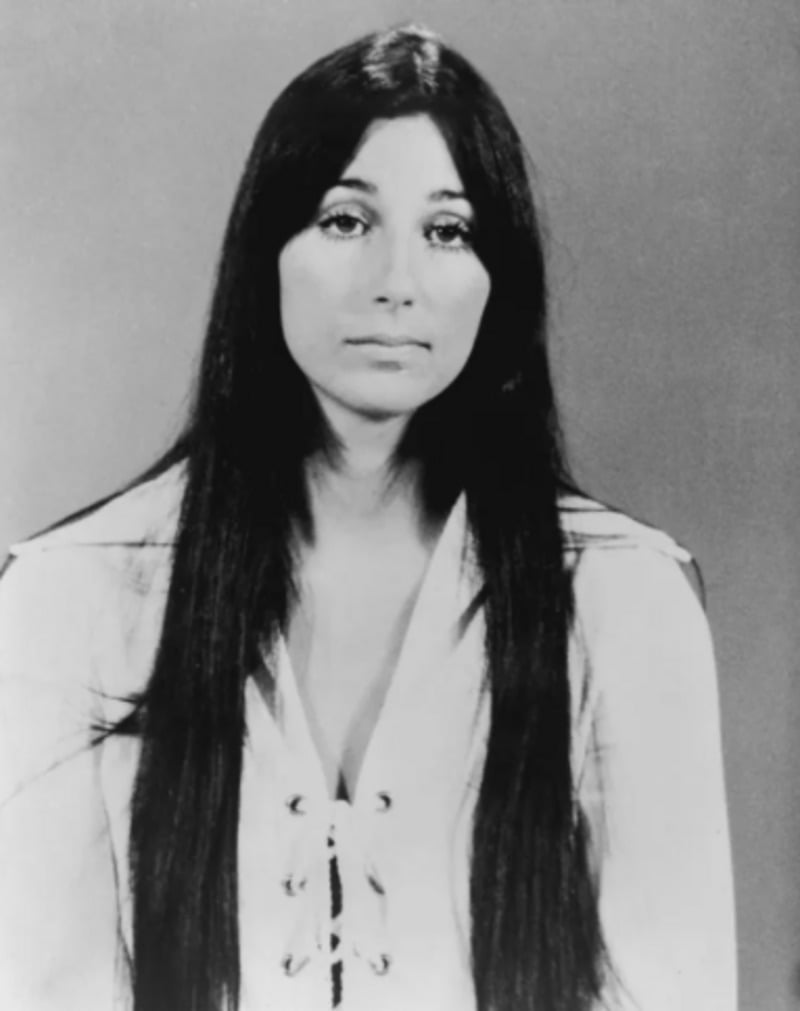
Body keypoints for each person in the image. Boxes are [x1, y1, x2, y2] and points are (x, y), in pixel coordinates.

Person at [0, 22, 736, 1011]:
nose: (396, 282)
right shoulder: (70, 594)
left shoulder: (620, 597)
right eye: (346, 220)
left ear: (495, 279)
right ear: (268, 252)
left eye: (446, 231)